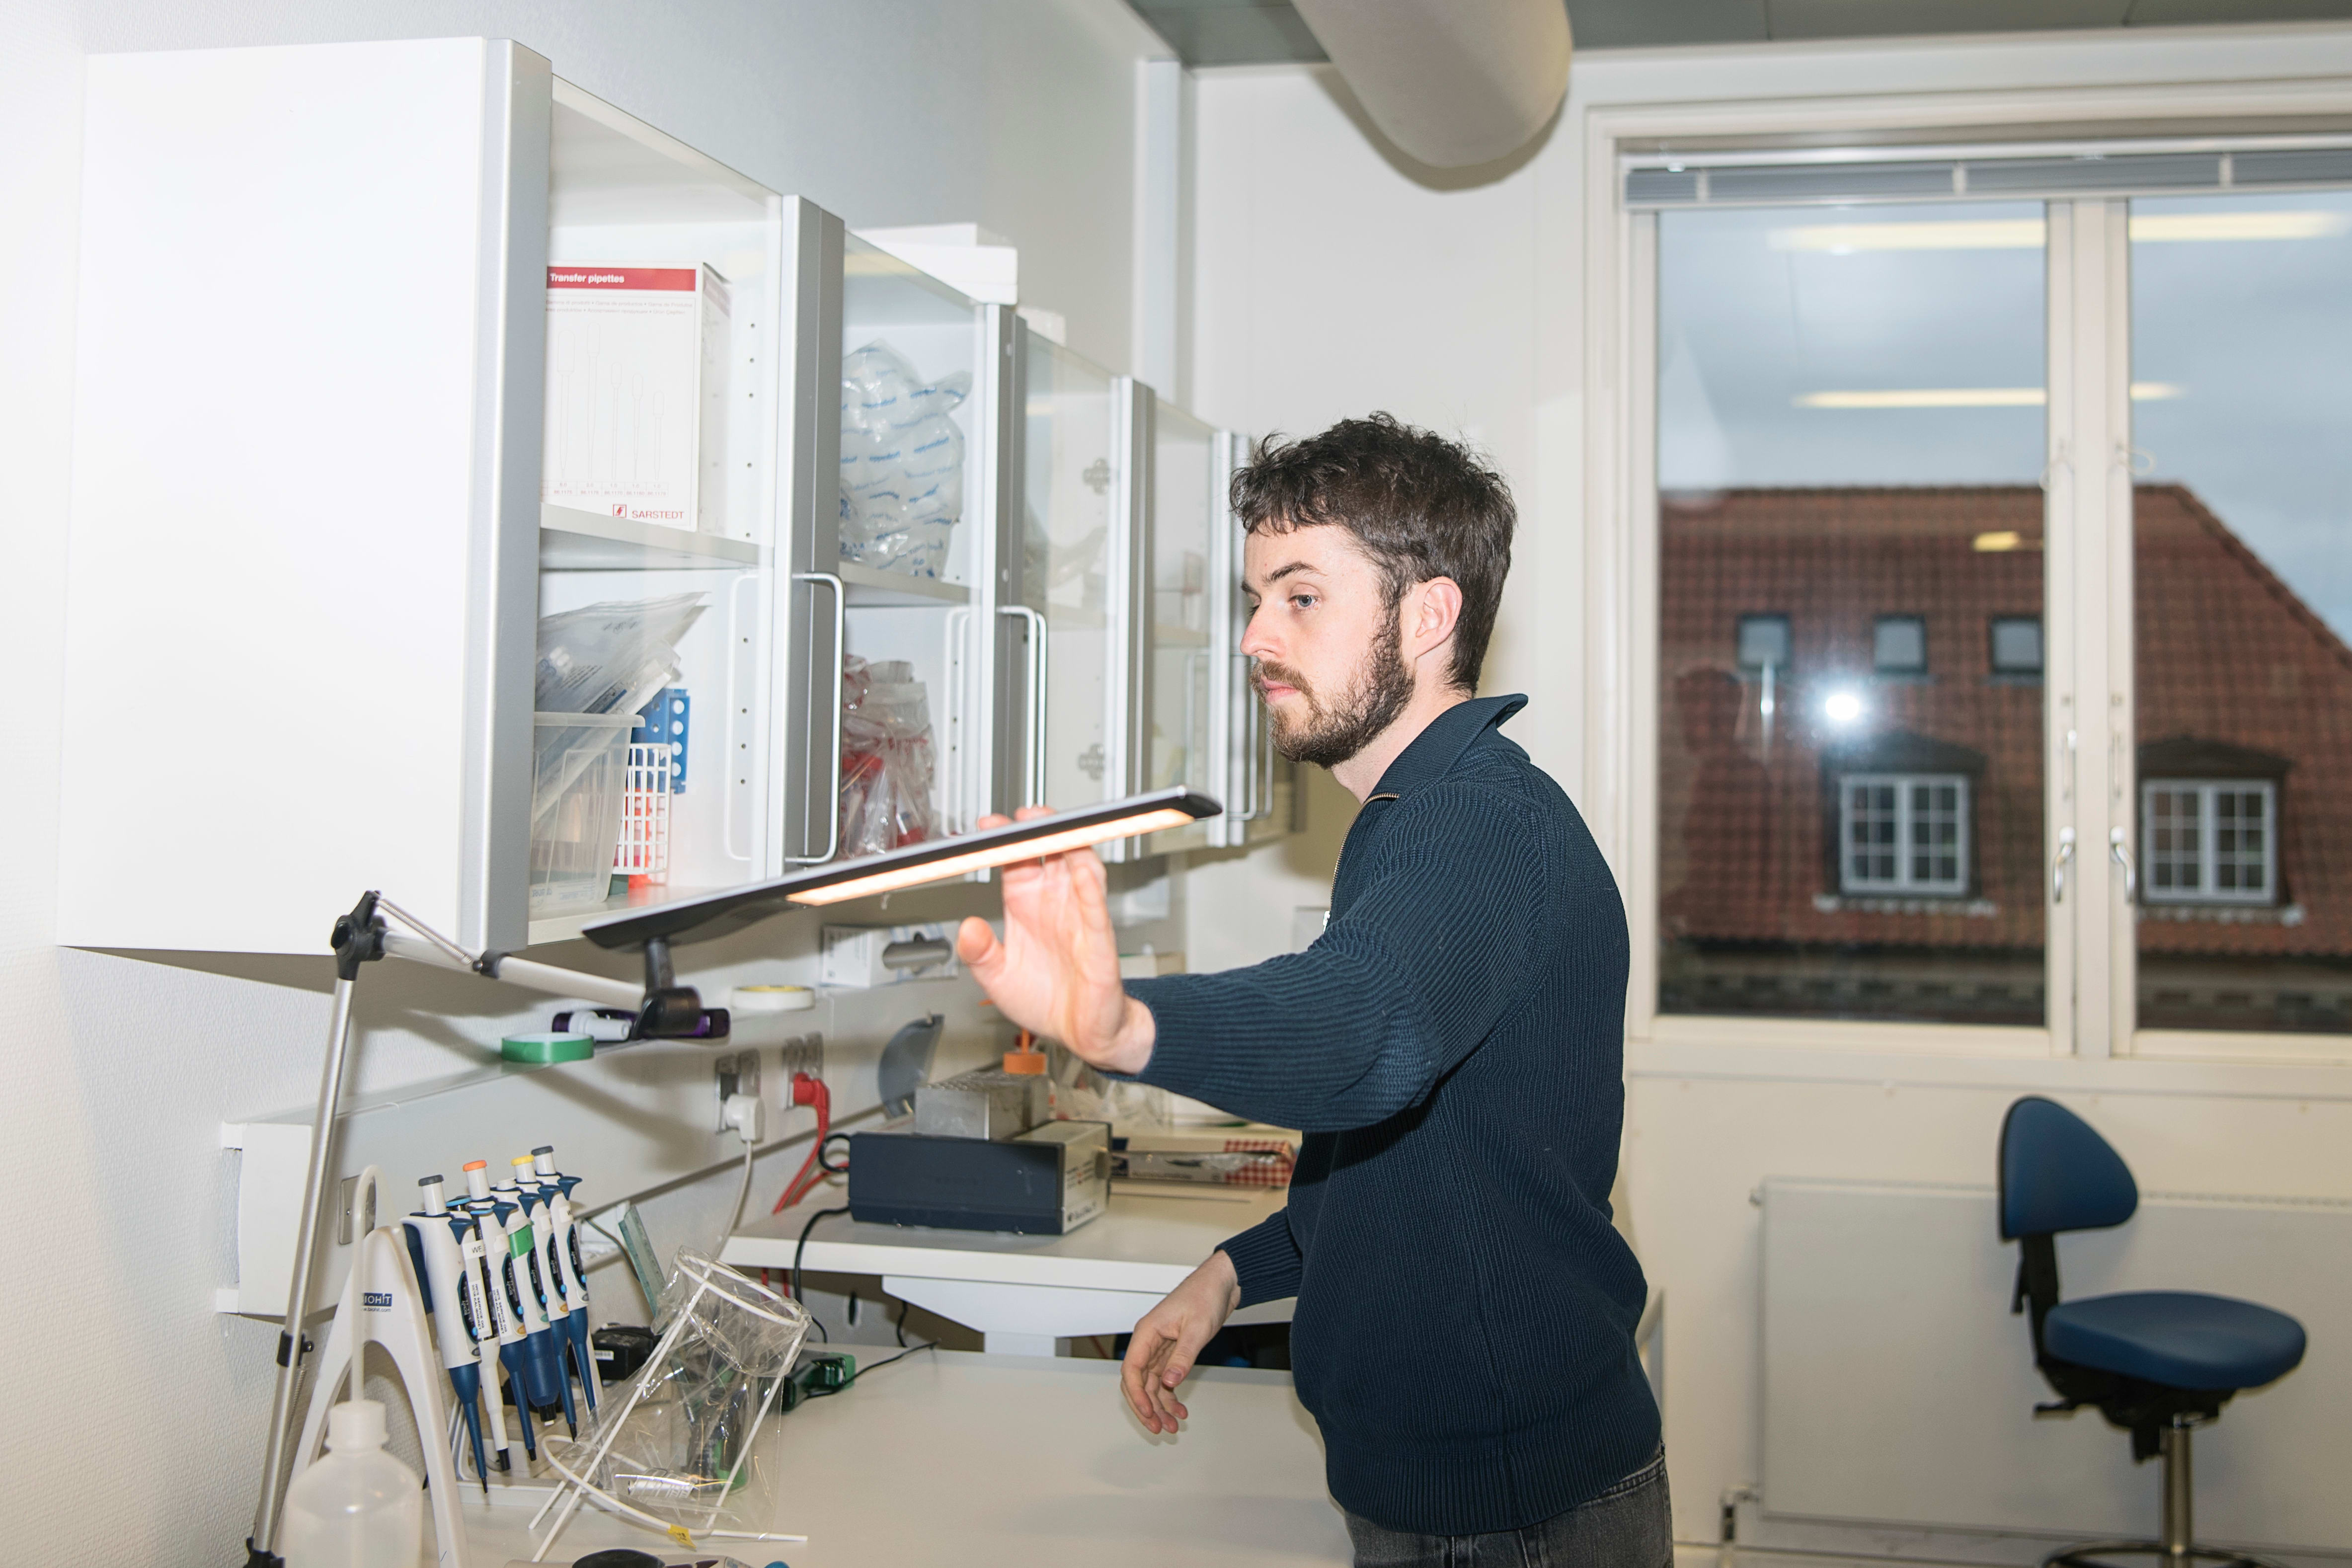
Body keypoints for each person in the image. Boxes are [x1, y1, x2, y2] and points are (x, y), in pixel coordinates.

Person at [954, 413, 1666, 1567]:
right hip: (1461, 1485)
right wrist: (1236, 1271)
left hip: (1506, 1514)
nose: (1254, 637)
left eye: (1300, 597)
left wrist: (1124, 1025)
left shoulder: (1474, 824)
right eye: (1256, 599)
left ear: (1427, 616)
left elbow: (1366, 1034)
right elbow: (1415, 1158)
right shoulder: (1417, 816)